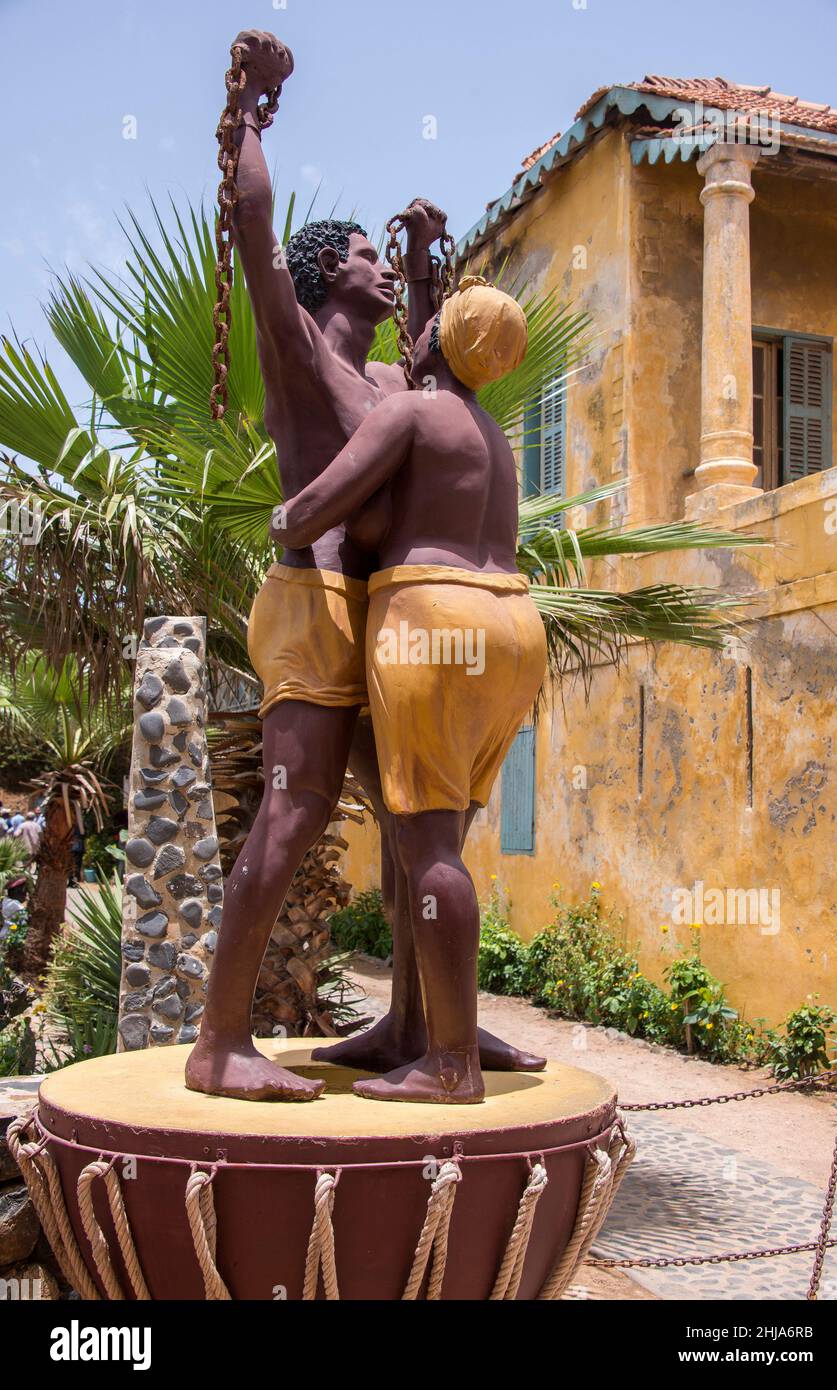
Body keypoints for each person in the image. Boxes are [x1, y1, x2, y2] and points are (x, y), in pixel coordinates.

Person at [186, 31, 540, 1101]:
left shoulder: (398, 383)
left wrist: (430, 263)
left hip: (392, 618)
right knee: (291, 812)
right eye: (372, 258)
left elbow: (441, 363)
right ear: (328, 272)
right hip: (313, 605)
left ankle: (414, 1030)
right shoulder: (300, 353)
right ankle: (220, 1041)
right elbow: (251, 224)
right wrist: (249, 111)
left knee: (408, 832)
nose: (387, 271)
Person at [279, 277, 548, 1103]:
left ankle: (450, 1060)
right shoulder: (491, 434)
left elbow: (323, 501)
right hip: (514, 624)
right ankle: (418, 1028)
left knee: (425, 848)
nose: (416, 327)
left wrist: (283, 525)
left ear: (439, 342)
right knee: (443, 839)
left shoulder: (411, 411)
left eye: (429, 321)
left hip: (431, 613)